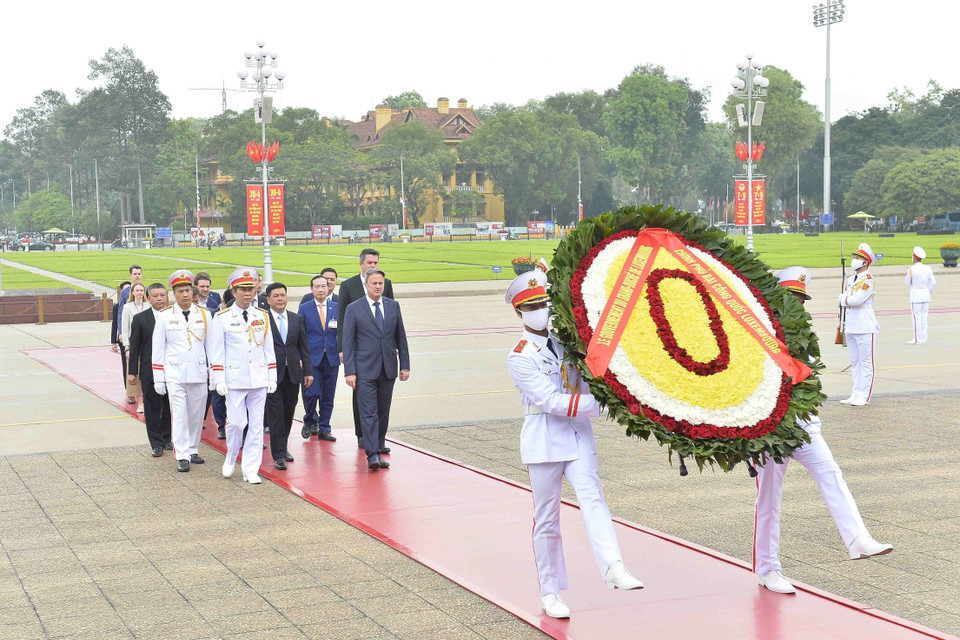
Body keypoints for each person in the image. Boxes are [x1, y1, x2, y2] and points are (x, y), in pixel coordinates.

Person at [504, 268, 642, 619]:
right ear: (519, 313)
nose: (540, 311)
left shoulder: (567, 343)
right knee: (547, 519)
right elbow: (550, 401)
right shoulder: (520, 356)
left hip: (577, 434)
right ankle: (550, 592)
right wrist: (605, 402)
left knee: (593, 498)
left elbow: (583, 380)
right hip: (544, 439)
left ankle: (614, 567)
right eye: (532, 306)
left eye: (543, 303)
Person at [755, 267, 893, 595]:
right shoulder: (760, 332)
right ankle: (768, 569)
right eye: (791, 297)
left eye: (801, 298)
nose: (798, 303)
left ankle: (858, 539)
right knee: (769, 499)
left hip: (803, 424)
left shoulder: (805, 334)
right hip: (771, 430)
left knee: (831, 472)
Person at [209, 268, 277, 484]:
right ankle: (231, 456)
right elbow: (216, 351)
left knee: (256, 427)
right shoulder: (222, 318)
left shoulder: (262, 315)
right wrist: (218, 379)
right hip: (234, 378)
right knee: (237, 423)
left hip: (258, 377)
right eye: (243, 290)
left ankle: (250, 468)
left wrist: (272, 376)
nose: (248, 294)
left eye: (251, 289)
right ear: (234, 291)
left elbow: (268, 349)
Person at [342, 269, 409, 470]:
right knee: (368, 413)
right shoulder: (354, 308)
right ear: (366, 285)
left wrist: (405, 365)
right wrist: (349, 371)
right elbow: (348, 342)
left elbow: (401, 337)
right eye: (374, 283)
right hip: (364, 370)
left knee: (382, 412)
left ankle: (379, 446)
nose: (378, 287)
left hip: (388, 369)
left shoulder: (393, 306)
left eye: (381, 283)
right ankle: (372, 455)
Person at [152, 271, 212, 473]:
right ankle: (182, 454)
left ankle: (193, 449)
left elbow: (212, 346)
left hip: (198, 371)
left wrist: (213, 373)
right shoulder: (164, 316)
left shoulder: (204, 315)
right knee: (178, 415)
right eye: (180, 291)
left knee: (196, 414)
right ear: (174, 294)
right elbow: (158, 348)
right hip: (175, 372)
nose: (185, 295)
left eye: (187, 290)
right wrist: (158, 378)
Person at [337, 249, 396, 449]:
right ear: (361, 264)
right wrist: (342, 348)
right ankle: (362, 434)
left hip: (381, 351)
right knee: (360, 395)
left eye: (376, 262)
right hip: (358, 349)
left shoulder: (385, 284)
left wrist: (393, 344)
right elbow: (342, 320)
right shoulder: (348, 286)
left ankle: (378, 439)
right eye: (369, 262)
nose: (373, 265)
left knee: (381, 400)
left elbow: (391, 316)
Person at [264, 282, 313, 469]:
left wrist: (308, 371)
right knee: (276, 415)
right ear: (268, 299)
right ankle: (278, 454)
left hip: (292, 373)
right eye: (275, 296)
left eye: (282, 295)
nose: (280, 299)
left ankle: (283, 447)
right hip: (271, 375)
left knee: (288, 412)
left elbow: (303, 347)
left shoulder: (295, 319)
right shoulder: (262, 319)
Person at [127, 283, 172, 457]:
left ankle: (167, 437)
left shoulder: (173, 316)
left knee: (167, 406)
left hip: (171, 369)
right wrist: (132, 372)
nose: (159, 299)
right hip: (149, 370)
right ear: (149, 298)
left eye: (162, 295)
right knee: (152, 407)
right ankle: (156, 442)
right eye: (155, 296)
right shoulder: (141, 319)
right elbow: (135, 347)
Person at [839, 243, 880, 406]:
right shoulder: (850, 280)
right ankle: (855, 393)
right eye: (854, 257)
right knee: (855, 363)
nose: (854, 260)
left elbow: (856, 300)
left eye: (857, 257)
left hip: (865, 325)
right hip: (851, 324)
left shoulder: (868, 280)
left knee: (866, 363)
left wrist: (843, 299)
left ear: (865, 262)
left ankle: (864, 395)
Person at [299, 275, 338, 441]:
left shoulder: (336, 307)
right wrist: (300, 357)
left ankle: (325, 427)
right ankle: (309, 420)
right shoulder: (305, 308)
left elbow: (342, 332)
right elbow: (300, 335)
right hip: (311, 357)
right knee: (311, 392)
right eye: (317, 286)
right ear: (311, 289)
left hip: (331, 357)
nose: (321, 290)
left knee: (328, 395)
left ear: (328, 288)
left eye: (324, 286)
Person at [120, 283, 147, 413]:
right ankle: (139, 401)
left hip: (147, 344)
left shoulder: (149, 306)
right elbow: (125, 328)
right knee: (135, 373)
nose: (140, 292)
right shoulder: (128, 307)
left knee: (146, 373)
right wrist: (127, 347)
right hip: (134, 344)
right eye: (137, 290)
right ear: (132, 292)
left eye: (142, 290)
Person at [905, 246, 936, 345]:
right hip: (926, 294)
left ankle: (916, 339)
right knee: (924, 317)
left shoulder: (911, 269)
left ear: (914, 258)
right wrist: (927, 290)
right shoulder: (928, 268)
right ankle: (923, 338)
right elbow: (933, 283)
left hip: (916, 295)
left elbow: (907, 283)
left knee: (916, 317)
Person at [110, 281, 132, 401]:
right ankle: (128, 390)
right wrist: (113, 340)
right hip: (123, 339)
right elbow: (115, 324)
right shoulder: (118, 307)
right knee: (126, 365)